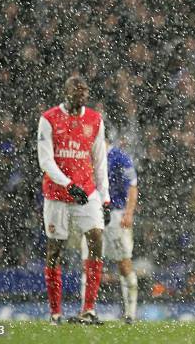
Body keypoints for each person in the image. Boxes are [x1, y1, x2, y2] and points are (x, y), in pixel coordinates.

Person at [37, 75, 111, 325]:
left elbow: (100, 161)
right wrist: (68, 184)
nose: (81, 95)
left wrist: (106, 198)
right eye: (76, 91)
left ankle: (88, 309)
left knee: (96, 239)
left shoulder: (94, 120)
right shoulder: (48, 119)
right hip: (57, 195)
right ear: (65, 92)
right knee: (55, 249)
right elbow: (46, 161)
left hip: (87, 192)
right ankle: (55, 313)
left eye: (84, 91)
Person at [79, 138, 139, 323]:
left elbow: (132, 186)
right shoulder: (87, 157)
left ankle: (130, 313)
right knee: (88, 263)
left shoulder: (119, 157)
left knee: (123, 263)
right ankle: (87, 311)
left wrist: (129, 212)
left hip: (115, 215)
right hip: (92, 213)